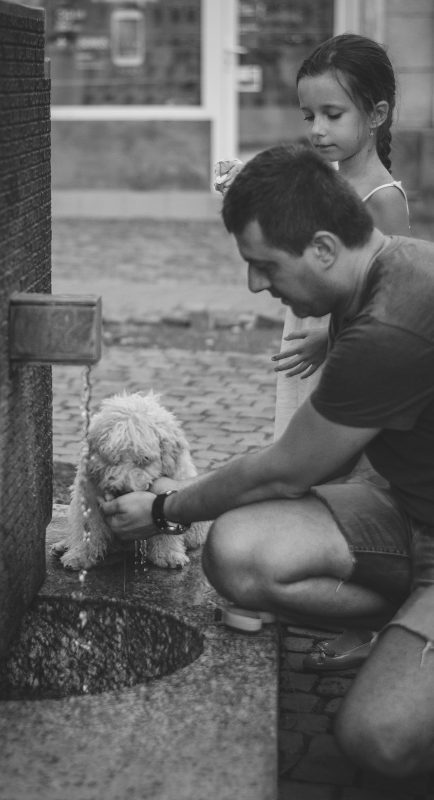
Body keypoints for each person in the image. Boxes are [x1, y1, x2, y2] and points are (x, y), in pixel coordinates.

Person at [102, 144, 434, 777]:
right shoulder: (376, 277)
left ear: (325, 249)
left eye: (264, 266)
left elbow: (286, 468)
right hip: (407, 510)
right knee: (236, 552)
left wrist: (165, 509)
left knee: (377, 738)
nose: (256, 285)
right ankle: (404, 619)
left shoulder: (391, 325)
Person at [215, 33, 411, 670]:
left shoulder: (383, 199)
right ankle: (297, 553)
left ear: (375, 115)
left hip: (345, 353)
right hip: (315, 343)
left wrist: (327, 337)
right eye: (309, 117)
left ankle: (373, 606)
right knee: (304, 455)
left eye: (334, 114)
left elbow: (384, 292)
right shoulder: (324, 181)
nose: (319, 129)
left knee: (346, 467)